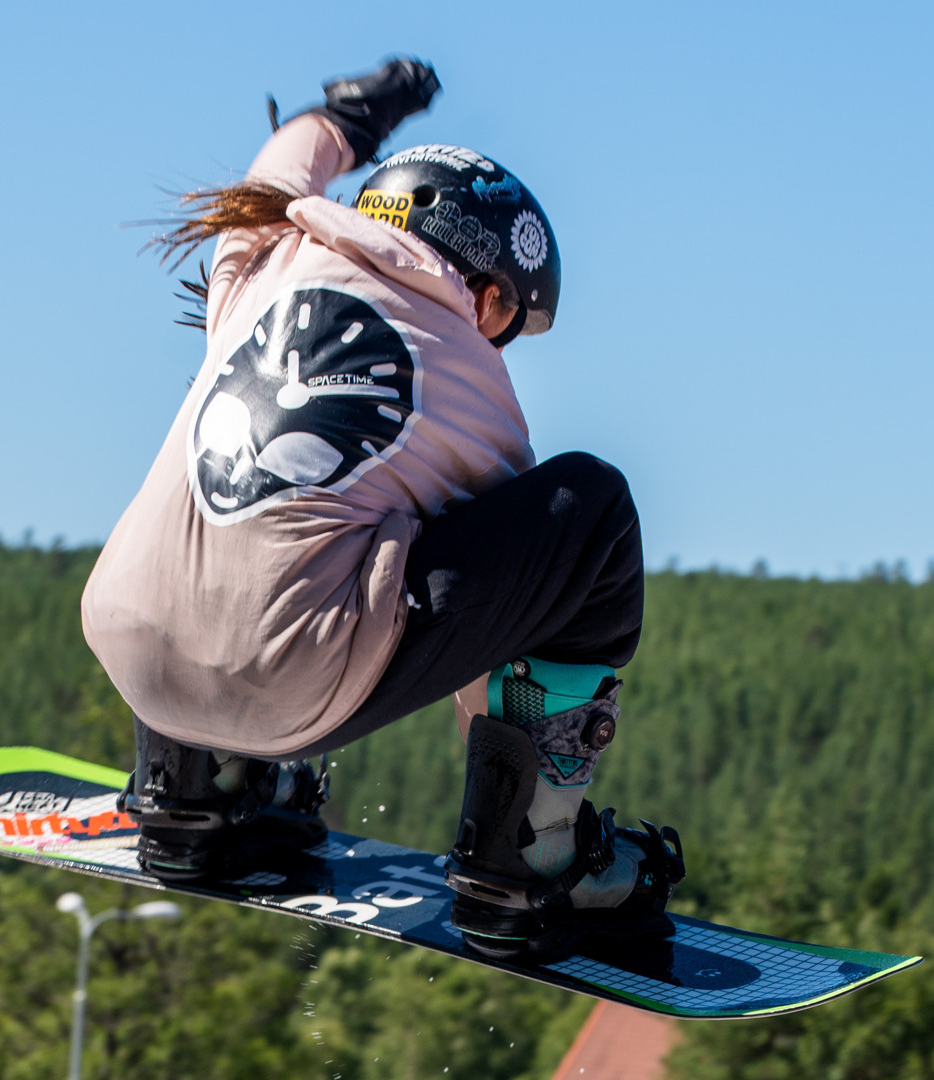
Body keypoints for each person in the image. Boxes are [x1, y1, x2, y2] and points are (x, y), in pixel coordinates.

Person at [79, 59, 684, 963]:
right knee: (591, 514)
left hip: (127, 646)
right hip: (293, 684)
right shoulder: (473, 382)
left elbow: (280, 166)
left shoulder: (261, 254)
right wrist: (502, 819)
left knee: (226, 486)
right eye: (508, 320)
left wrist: (353, 113)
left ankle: (189, 795)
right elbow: (501, 634)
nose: (501, 343)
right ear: (486, 292)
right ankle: (530, 858)